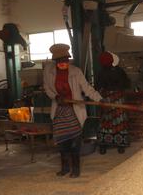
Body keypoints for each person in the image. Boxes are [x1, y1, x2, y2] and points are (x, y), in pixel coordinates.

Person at [44, 44, 103, 178]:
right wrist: (56, 96)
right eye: (60, 61)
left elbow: (87, 88)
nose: (64, 63)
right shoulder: (49, 72)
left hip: (74, 112)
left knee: (75, 142)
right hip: (59, 112)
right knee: (62, 142)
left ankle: (75, 170)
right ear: (55, 61)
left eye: (66, 60)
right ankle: (65, 168)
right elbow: (47, 88)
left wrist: (99, 99)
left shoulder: (76, 72)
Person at [96, 52, 131, 155]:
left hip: (106, 99)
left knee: (105, 122)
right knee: (119, 121)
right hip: (119, 98)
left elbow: (97, 87)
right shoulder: (119, 71)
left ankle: (103, 146)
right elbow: (127, 84)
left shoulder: (101, 72)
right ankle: (120, 145)